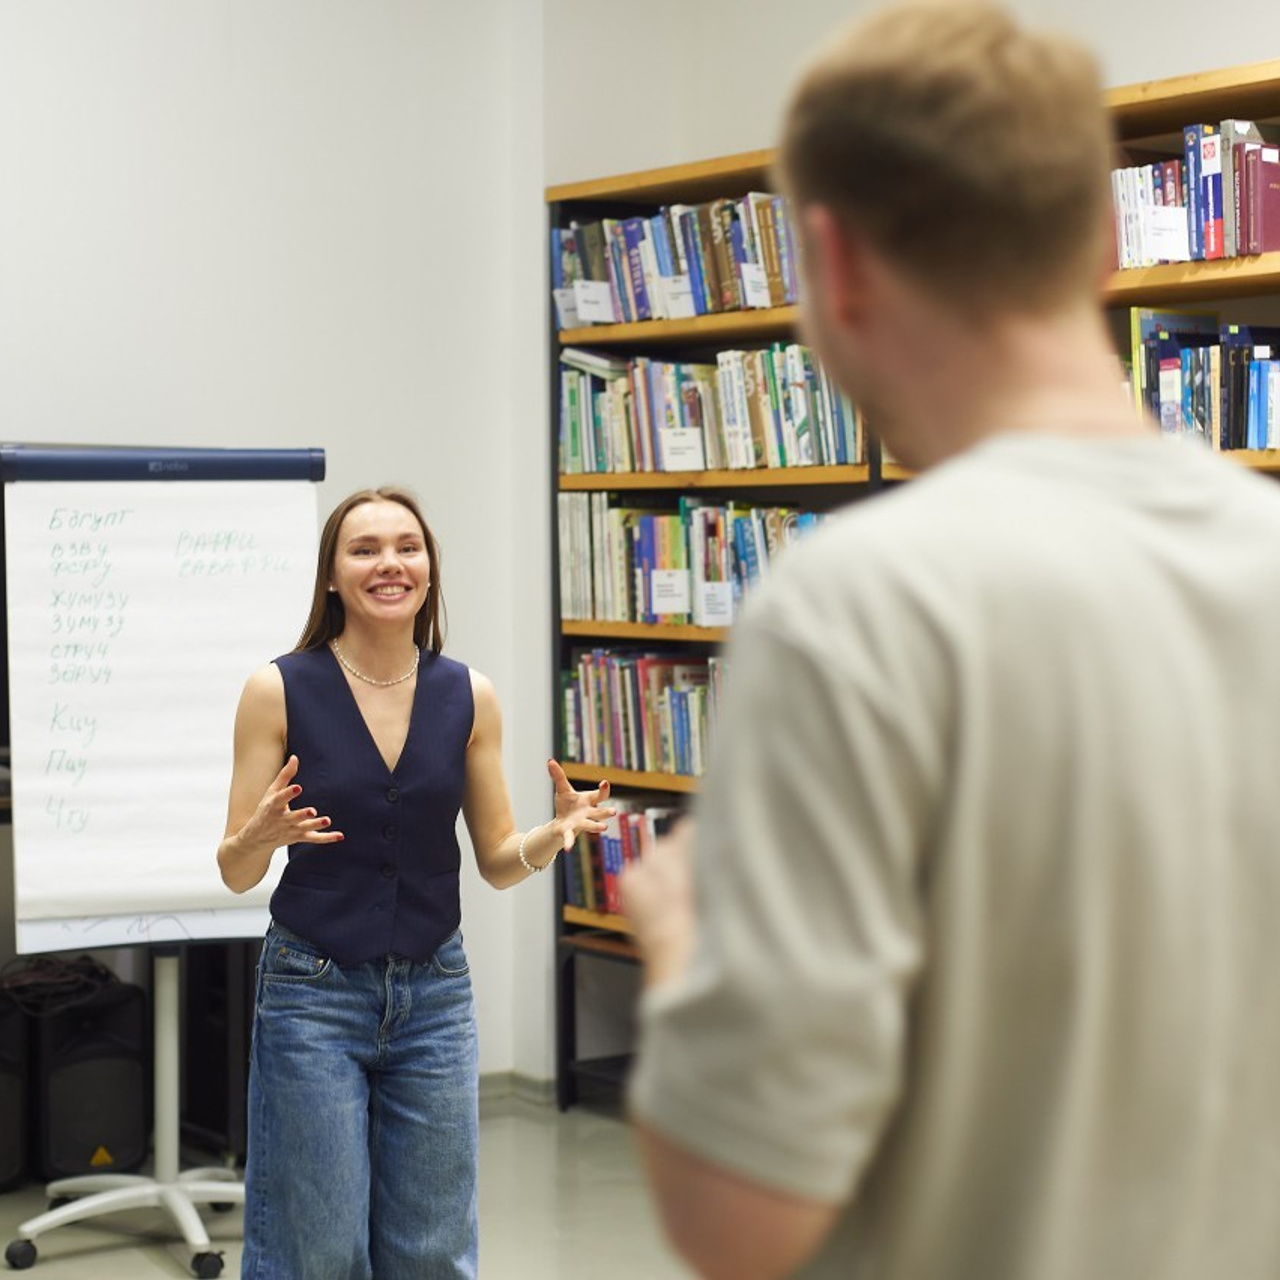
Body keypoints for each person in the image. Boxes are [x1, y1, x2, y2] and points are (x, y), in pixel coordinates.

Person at [621, 5, 1280, 1280]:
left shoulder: (852, 608)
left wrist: (681, 937)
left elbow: (740, 1221)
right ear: (1099, 240)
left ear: (834, 261)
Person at [218, 486, 612, 1280]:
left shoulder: (468, 694)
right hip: (312, 994)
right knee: (318, 1249)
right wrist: (255, 837)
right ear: (332, 576)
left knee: (432, 1249)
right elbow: (236, 871)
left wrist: (552, 835)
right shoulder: (278, 688)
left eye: (408, 546)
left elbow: (498, 858)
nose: (389, 564)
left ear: (429, 569)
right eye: (364, 549)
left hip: (435, 997)